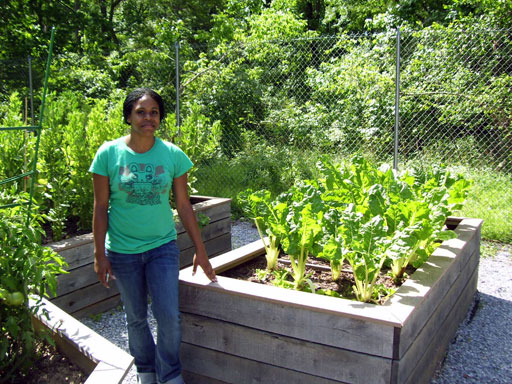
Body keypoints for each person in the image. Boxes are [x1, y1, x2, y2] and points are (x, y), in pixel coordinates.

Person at [89, 87, 217, 384]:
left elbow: (184, 206)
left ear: (161, 118)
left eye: (154, 112)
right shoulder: (108, 154)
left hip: (162, 248)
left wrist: (201, 250)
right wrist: (98, 255)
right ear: (128, 116)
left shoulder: (173, 155)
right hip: (121, 252)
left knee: (169, 317)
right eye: (141, 112)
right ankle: (146, 372)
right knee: (135, 318)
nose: (148, 118)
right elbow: (100, 207)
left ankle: (169, 375)